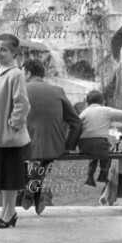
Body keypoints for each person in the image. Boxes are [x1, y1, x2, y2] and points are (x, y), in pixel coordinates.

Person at [21, 59, 82, 214]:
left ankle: (32, 186)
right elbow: (76, 122)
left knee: (34, 156)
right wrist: (69, 146)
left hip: (26, 146)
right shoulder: (58, 90)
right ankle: (35, 186)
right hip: (54, 146)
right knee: (45, 157)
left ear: (28, 73)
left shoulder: (20, 90)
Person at [0, 33, 30, 228]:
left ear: (14, 52)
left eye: (3, 49)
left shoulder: (15, 74)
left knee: (9, 177)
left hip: (8, 136)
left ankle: (9, 213)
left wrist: (13, 124)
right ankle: (6, 212)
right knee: (1, 177)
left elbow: (22, 103)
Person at [78, 90, 122, 186]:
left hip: (83, 145)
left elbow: (77, 127)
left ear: (87, 102)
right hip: (100, 144)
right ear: (103, 102)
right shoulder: (106, 110)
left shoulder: (83, 113)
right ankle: (103, 173)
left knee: (93, 154)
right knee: (108, 150)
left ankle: (90, 176)